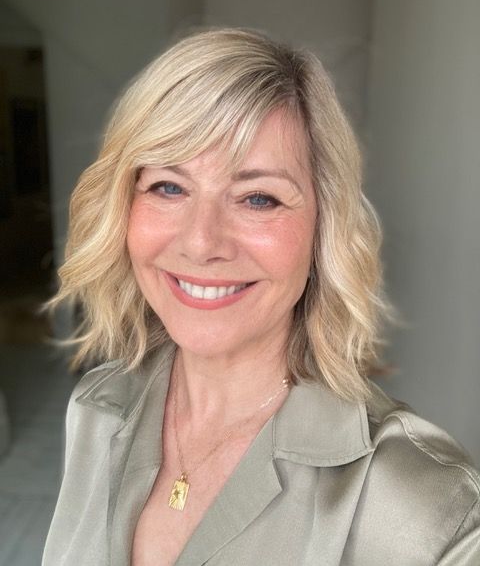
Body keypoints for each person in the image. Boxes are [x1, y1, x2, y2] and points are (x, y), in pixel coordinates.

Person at [42, 28, 480, 566]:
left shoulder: (430, 511)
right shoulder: (95, 409)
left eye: (257, 198)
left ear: (325, 230)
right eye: (168, 187)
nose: (202, 243)